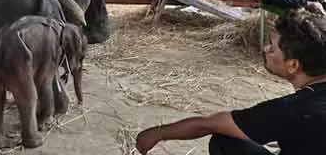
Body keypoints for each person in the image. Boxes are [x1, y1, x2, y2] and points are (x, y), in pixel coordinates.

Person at [135, 10, 326, 155]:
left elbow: (210, 124)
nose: (265, 49)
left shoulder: (290, 109)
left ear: (293, 65)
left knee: (225, 142)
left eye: (272, 48)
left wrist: (157, 133)